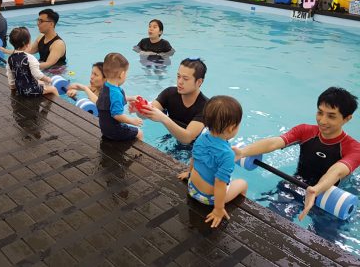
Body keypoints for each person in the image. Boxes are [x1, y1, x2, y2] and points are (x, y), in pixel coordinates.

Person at [234, 87, 360, 221]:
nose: (322, 120)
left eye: (331, 116)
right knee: (272, 220)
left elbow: (337, 171)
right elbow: (275, 142)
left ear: (347, 118)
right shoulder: (305, 131)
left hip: (332, 194)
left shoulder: (354, 148)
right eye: (320, 112)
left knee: (324, 238)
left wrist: (315, 190)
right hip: (299, 182)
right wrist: (242, 152)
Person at [178, 95, 248, 228]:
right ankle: (240, 206)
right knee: (243, 184)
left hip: (192, 188)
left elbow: (194, 158)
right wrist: (218, 209)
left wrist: (188, 173)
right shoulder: (227, 155)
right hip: (209, 199)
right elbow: (220, 183)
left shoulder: (202, 137)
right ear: (231, 128)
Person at [140, 58, 208, 144]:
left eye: (185, 79)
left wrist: (163, 118)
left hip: (193, 147)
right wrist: (139, 108)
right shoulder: (170, 93)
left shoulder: (206, 106)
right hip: (170, 137)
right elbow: (149, 112)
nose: (179, 82)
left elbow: (187, 139)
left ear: (199, 82)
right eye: (178, 76)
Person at [0, 9, 66, 71]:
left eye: (41, 21)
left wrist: (23, 65)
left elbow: (48, 64)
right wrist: (5, 51)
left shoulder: (58, 44)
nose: (38, 23)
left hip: (54, 73)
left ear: (51, 24)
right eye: (38, 20)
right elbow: (27, 51)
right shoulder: (41, 37)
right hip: (41, 69)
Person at [96, 53, 143, 141]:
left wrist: (131, 98)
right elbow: (117, 115)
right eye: (126, 73)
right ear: (121, 74)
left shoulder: (106, 86)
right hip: (115, 131)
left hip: (105, 129)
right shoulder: (116, 93)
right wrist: (132, 121)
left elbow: (112, 101)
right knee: (139, 133)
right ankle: (139, 154)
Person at [6, 27, 59, 97]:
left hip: (20, 90)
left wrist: (13, 87)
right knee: (53, 89)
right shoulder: (29, 58)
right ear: (25, 43)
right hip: (31, 91)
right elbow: (37, 74)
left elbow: (10, 74)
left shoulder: (10, 58)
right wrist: (48, 79)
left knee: (41, 82)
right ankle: (58, 105)